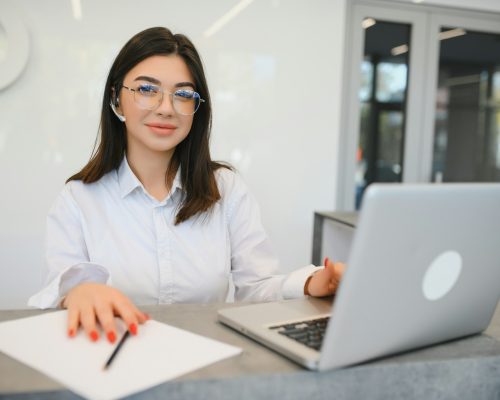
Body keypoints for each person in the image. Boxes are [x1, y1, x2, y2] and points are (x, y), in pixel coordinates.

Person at [28, 27, 345, 344]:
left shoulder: (225, 188)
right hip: (115, 365)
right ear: (117, 100)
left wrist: (312, 283)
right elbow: (63, 284)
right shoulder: (79, 198)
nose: (166, 107)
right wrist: (78, 292)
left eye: (182, 94)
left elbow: (257, 287)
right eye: (146, 90)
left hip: (209, 361)